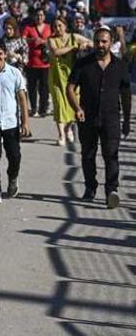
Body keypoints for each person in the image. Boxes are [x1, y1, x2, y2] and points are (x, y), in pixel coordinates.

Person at [67, 27, 131, 209]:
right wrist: (77, 108)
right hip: (87, 118)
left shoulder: (119, 66)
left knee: (111, 155)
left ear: (111, 42)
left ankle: (112, 191)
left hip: (111, 118)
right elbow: (70, 88)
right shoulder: (83, 64)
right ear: (93, 42)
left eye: (104, 41)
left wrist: (126, 120)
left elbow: (126, 95)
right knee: (88, 155)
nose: (100, 45)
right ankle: (90, 188)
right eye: (97, 41)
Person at [0, 39, 31, 205]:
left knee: (14, 156)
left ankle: (12, 178)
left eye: (0, 54)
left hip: (11, 122)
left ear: (5, 54)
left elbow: (22, 98)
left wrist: (25, 122)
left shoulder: (14, 73)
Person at [48, 18, 92, 146]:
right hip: (56, 77)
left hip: (73, 77)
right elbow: (56, 52)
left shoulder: (74, 36)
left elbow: (91, 42)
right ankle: (61, 134)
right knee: (60, 105)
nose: (58, 28)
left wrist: (85, 44)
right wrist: (74, 47)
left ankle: (68, 129)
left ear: (65, 26)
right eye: (55, 26)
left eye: (60, 25)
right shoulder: (51, 40)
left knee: (74, 105)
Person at [22, 8, 51, 117]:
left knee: (44, 87)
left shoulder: (49, 27)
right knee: (32, 87)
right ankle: (34, 108)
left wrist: (44, 41)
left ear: (44, 16)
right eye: (37, 15)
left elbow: (53, 39)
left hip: (45, 62)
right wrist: (33, 40)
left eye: (41, 15)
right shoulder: (29, 28)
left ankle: (43, 108)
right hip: (32, 62)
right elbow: (23, 39)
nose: (39, 17)